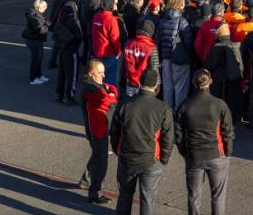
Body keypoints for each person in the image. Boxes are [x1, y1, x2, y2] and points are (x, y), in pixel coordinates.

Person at [110, 68, 173, 215]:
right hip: (151, 160)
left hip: (127, 157)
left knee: (125, 195)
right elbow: (168, 138)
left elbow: (114, 131)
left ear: (139, 82)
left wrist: (117, 150)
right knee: (147, 198)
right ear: (156, 85)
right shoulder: (162, 108)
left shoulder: (125, 104)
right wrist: (164, 159)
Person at [176, 69, 233, 215]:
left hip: (194, 155)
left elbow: (178, 133)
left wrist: (184, 152)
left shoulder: (185, 105)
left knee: (194, 196)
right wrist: (228, 152)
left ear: (194, 83)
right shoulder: (220, 105)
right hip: (216, 154)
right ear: (210, 82)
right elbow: (227, 131)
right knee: (218, 196)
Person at [79, 59, 118, 205]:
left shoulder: (94, 84)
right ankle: (95, 193)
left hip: (100, 128)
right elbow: (107, 101)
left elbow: (112, 89)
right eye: (100, 72)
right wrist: (111, 96)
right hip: (97, 131)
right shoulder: (90, 88)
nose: (103, 75)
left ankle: (86, 180)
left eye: (103, 72)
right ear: (90, 73)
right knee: (101, 162)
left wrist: (111, 94)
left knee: (97, 156)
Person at [157, 0, 194, 112]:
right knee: (180, 87)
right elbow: (188, 41)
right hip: (179, 58)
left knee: (167, 87)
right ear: (180, 6)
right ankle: (179, 112)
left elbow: (157, 40)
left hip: (165, 58)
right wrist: (190, 55)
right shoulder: (182, 21)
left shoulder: (162, 21)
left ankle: (167, 112)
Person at [204, 23, 243, 118]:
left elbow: (208, 65)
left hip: (219, 83)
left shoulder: (215, 48)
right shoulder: (236, 46)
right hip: (234, 81)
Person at [54, 0, 84, 104]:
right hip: (71, 50)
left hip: (62, 48)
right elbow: (79, 35)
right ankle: (69, 96)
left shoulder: (61, 19)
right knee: (72, 73)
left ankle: (59, 93)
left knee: (61, 72)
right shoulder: (74, 20)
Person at [123, 20, 160, 98]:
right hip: (145, 85)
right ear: (151, 31)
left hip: (130, 81)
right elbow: (154, 68)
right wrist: (157, 84)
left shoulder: (128, 44)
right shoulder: (151, 47)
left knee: (131, 105)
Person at [92, 0, 122, 87]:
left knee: (98, 78)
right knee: (109, 80)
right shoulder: (111, 19)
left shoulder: (96, 16)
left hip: (97, 52)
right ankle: (109, 99)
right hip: (109, 53)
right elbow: (115, 39)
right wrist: (117, 52)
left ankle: (98, 96)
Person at [23, 0, 49, 85]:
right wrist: (47, 27)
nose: (45, 10)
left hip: (36, 39)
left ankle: (38, 75)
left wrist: (46, 23)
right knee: (36, 59)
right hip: (33, 40)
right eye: (45, 8)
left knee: (39, 58)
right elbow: (40, 29)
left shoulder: (36, 14)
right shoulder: (35, 16)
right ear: (40, 7)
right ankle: (33, 78)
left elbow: (41, 23)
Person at [49, 0, 75, 69]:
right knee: (64, 46)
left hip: (56, 26)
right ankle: (61, 63)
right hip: (64, 27)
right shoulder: (70, 2)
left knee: (56, 45)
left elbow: (53, 14)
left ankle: (52, 62)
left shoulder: (57, 0)